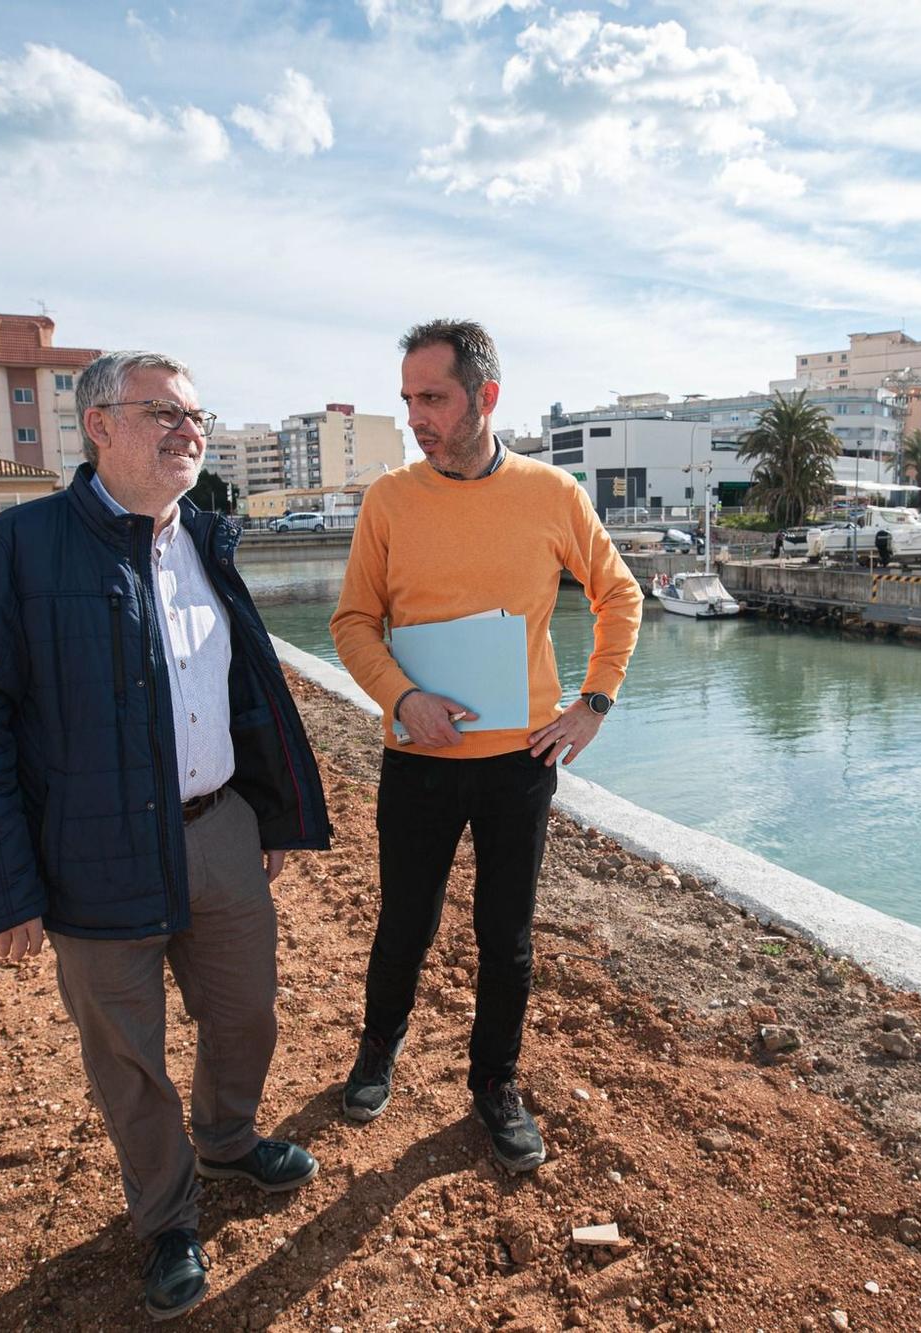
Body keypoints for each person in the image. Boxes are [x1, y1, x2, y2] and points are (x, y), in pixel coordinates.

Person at [0, 350, 331, 1321]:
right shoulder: (18, 548)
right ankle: (166, 1216)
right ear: (99, 426)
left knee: (245, 1015)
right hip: (91, 850)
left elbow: (239, 691)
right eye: (164, 413)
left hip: (221, 829)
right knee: (128, 1054)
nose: (190, 429)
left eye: (197, 413)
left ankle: (229, 1139)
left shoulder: (207, 537)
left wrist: (268, 811)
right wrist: (5, 887)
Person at [329, 319, 642, 1173]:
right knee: (404, 924)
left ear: (486, 397)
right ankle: (377, 1050)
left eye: (432, 397)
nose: (417, 417)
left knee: (507, 938)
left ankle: (495, 1085)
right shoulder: (389, 499)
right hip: (418, 762)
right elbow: (353, 621)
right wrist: (402, 696)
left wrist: (593, 704)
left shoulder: (552, 495)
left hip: (522, 764)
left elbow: (621, 596)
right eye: (408, 400)